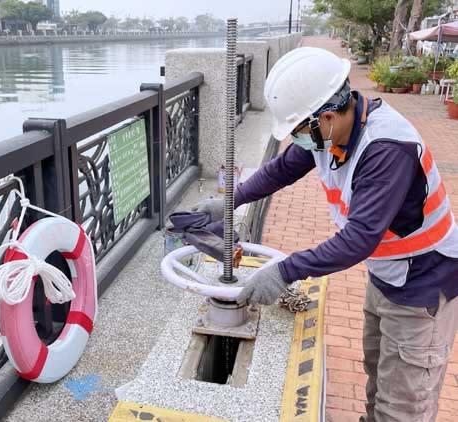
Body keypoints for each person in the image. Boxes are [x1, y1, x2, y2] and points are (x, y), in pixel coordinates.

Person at [194, 47, 458, 421]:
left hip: (424, 283)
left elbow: (358, 240)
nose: (298, 140)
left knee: (403, 403)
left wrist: (285, 271)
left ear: (328, 117)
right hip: (388, 273)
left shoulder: (386, 150)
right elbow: (282, 168)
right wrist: (231, 200)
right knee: (379, 374)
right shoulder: (331, 132)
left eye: (300, 130)